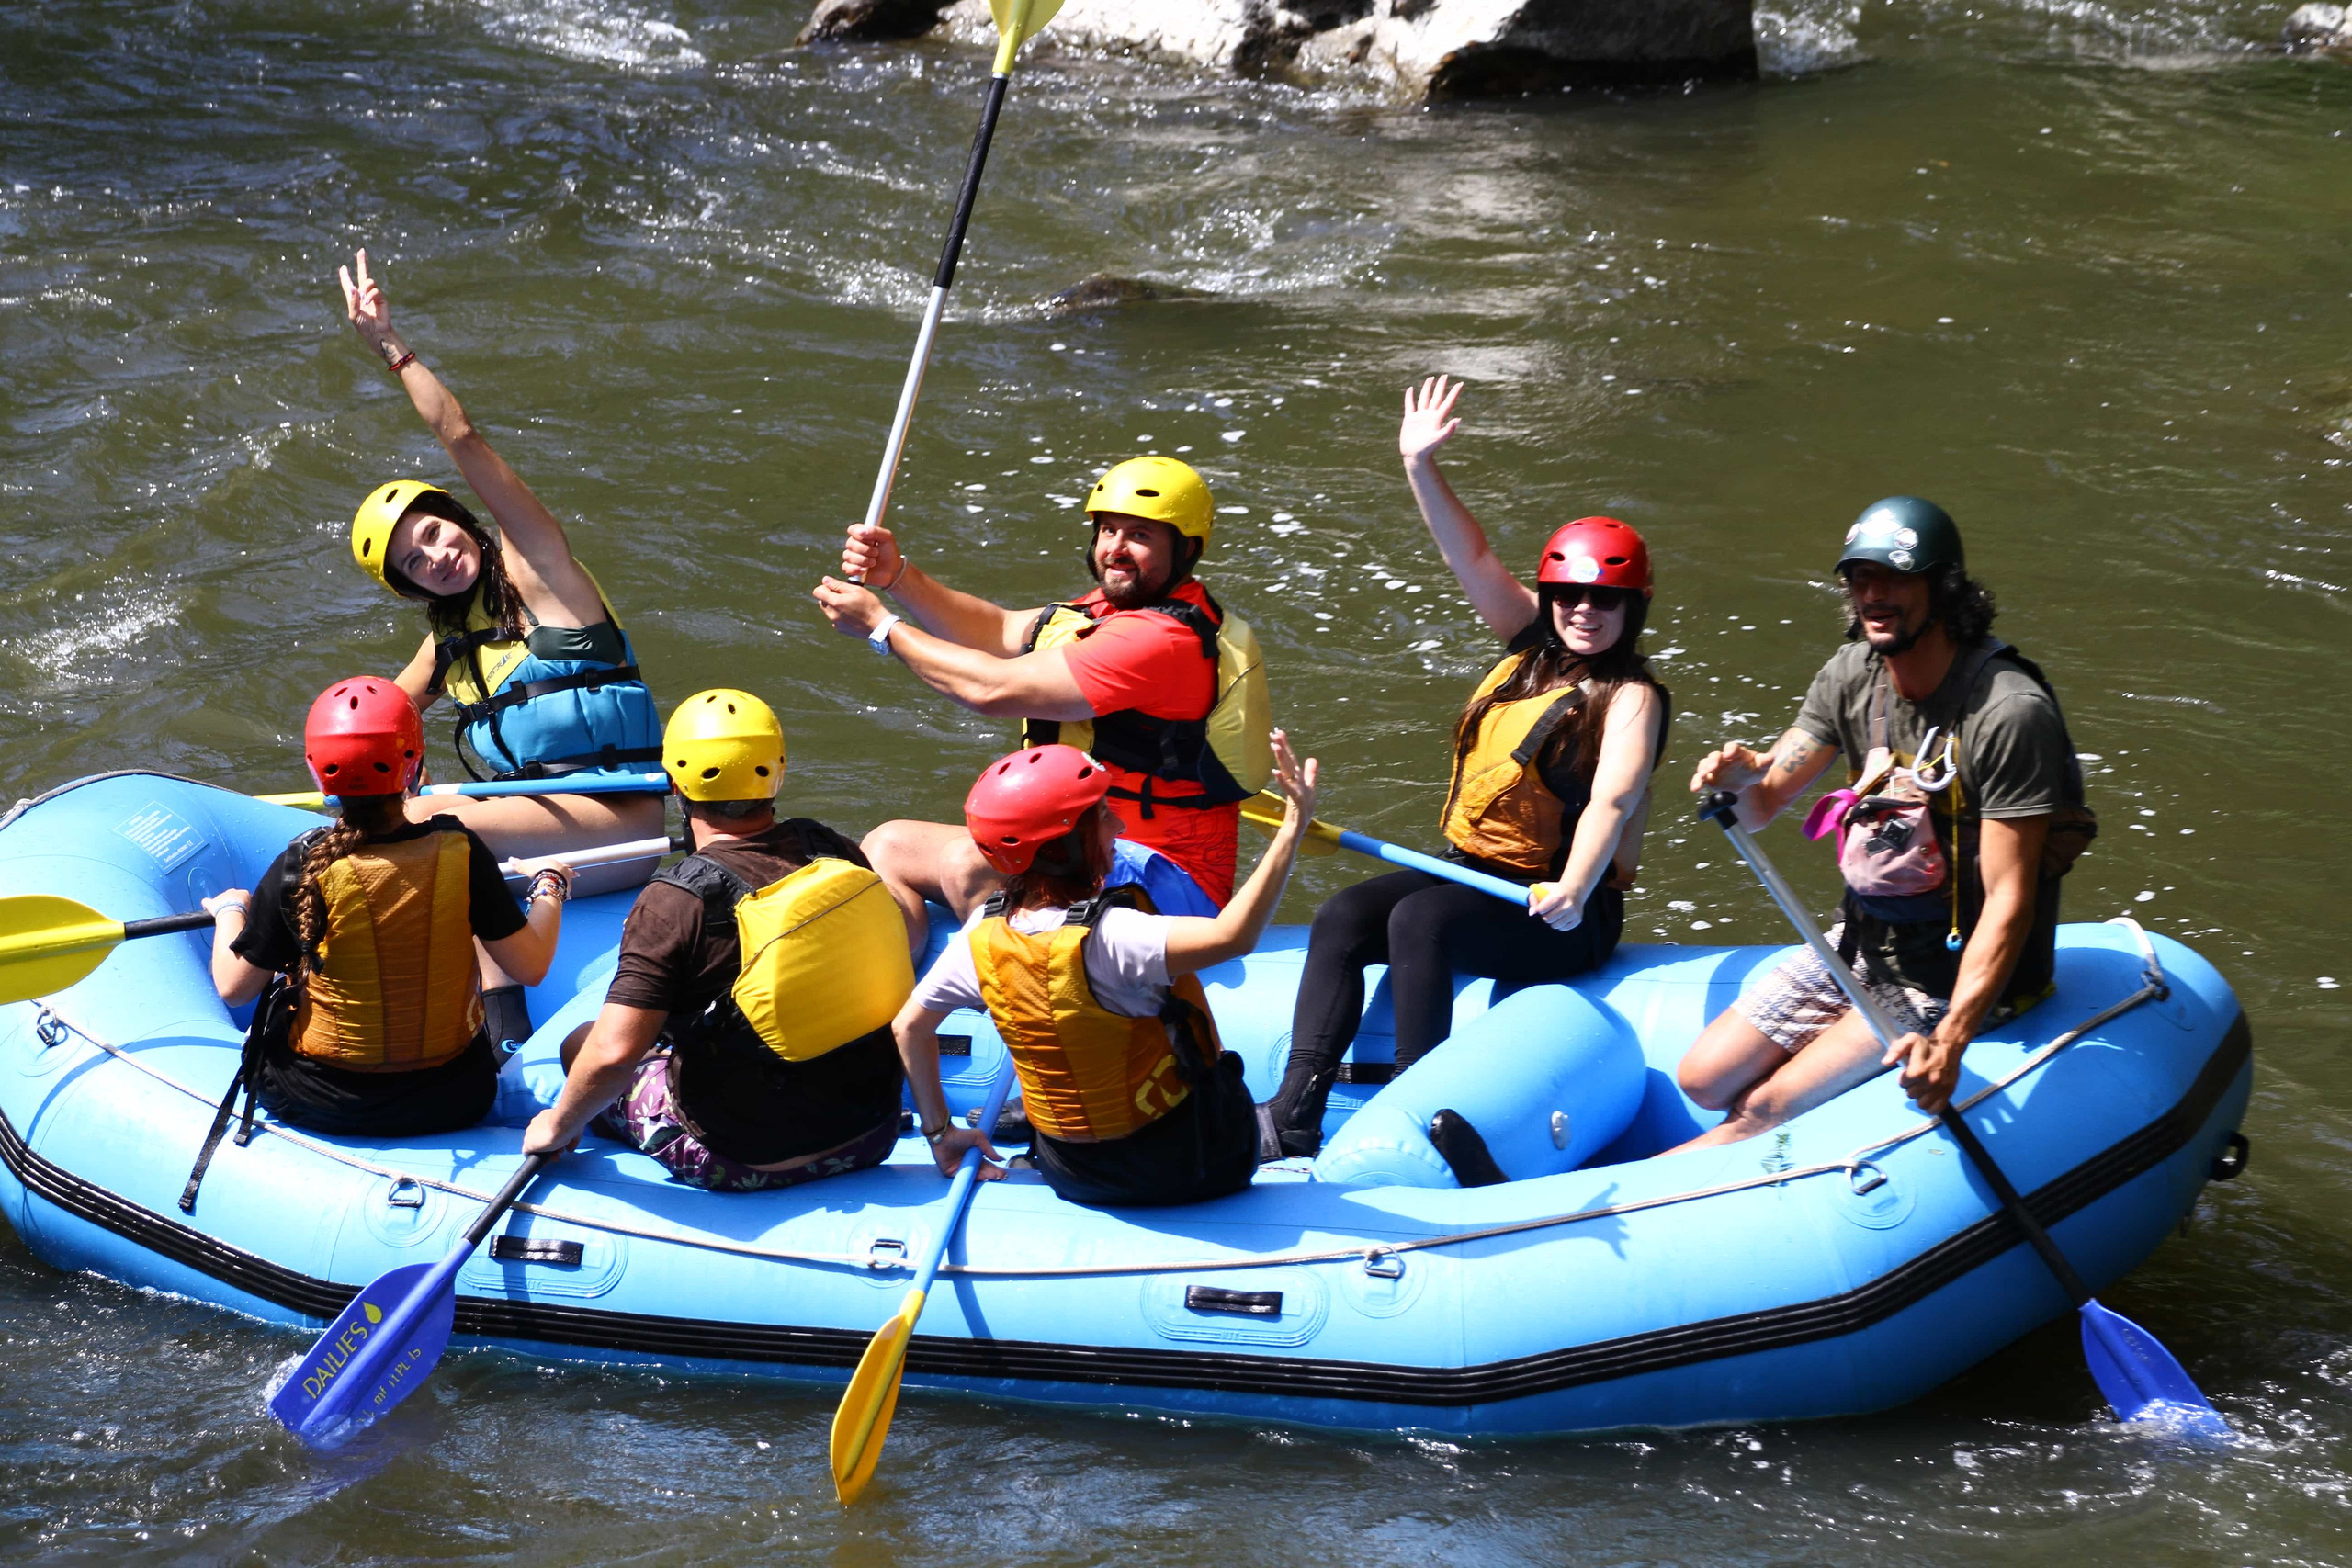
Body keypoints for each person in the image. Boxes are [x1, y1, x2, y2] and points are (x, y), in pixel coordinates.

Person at [1265, 377, 1669, 1160]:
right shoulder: (1528, 646)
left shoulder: (1632, 697)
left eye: (1605, 600)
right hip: (1475, 873)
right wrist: (1418, 465)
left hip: (1564, 909)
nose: (1583, 610)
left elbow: (1612, 801)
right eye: (1569, 595)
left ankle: (1420, 1113)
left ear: (1632, 607)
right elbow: (1472, 552)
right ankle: (1293, 1111)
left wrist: (1576, 887)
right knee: (1345, 915)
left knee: (1422, 921)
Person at [1668, 496, 2096, 1151]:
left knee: (1761, 1108)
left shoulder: (2008, 712)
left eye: (1894, 578)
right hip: (1865, 942)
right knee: (1700, 1079)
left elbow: (2010, 900)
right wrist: (1743, 775)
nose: (1874, 595)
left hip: (1946, 976)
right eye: (1860, 579)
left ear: (1944, 589)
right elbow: (1760, 805)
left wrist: (1950, 1037)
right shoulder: (1852, 674)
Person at [337, 247, 665, 1049]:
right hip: (550, 827)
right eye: (414, 562)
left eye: (436, 532)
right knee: (401, 817)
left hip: (628, 824)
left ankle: (503, 1043)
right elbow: (381, 714)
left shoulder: (543, 574)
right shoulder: (451, 642)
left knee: (444, 818)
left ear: (459, 518)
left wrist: (391, 344)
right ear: (413, 588)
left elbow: (464, 438)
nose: (437, 555)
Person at [812, 456, 1272, 937]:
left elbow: (992, 689)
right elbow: (1000, 629)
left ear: (1186, 549)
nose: (1116, 548)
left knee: (973, 863)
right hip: (1087, 847)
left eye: (1141, 536)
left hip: (1166, 879)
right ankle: (899, 998)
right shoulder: (1107, 609)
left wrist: (881, 627)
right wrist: (898, 576)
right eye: (1108, 530)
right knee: (888, 845)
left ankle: (1033, 987)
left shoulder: (1162, 640)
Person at [894, 735, 1318, 1209]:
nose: (1118, 825)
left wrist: (940, 1134)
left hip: (1072, 1174)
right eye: (1101, 817)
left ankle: (1026, 1157)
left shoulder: (981, 935)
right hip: (1187, 1166)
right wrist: (1292, 828)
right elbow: (1233, 935)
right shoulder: (1117, 934)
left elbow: (909, 1026)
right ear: (1062, 849)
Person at [522, 690, 911, 1191]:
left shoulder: (673, 900)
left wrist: (557, 1124)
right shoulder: (828, 846)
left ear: (674, 785)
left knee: (582, 1044)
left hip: (742, 1156)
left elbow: (614, 1055)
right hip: (870, 1133)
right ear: (778, 770)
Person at [203, 677, 571, 1137]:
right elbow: (531, 965)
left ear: (318, 774)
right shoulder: (460, 851)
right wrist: (550, 885)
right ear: (413, 766)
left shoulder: (301, 864)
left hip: (319, 1101)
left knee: (292, 971)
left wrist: (230, 911)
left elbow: (234, 989)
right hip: (456, 1099)